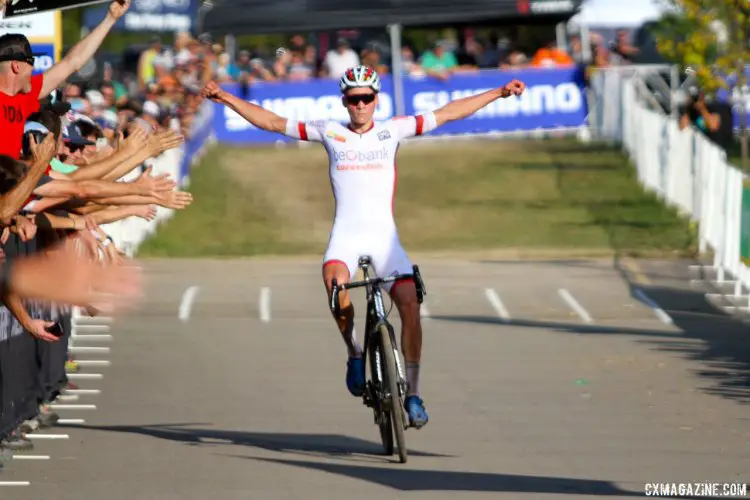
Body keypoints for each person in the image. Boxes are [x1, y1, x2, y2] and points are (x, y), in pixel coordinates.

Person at [201, 66, 525, 429]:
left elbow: (450, 112)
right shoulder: (330, 131)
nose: (360, 105)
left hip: (386, 240)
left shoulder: (393, 130)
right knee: (335, 286)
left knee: (410, 306)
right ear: (344, 101)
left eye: (366, 99)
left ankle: (414, 393)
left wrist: (498, 92)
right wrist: (225, 97)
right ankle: (355, 352)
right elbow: (274, 123)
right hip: (347, 237)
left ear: (376, 100)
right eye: (353, 99)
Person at [0, 0, 131, 159]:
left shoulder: (27, 94)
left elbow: (73, 61)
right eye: (31, 62)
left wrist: (110, 18)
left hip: (16, 180)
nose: (34, 68)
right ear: (16, 66)